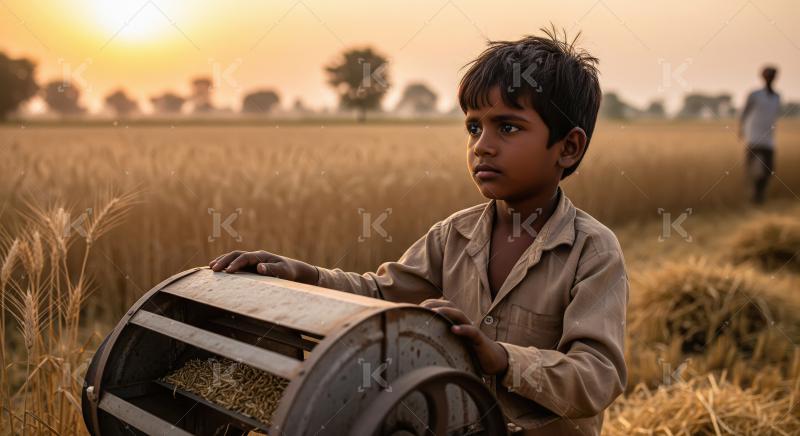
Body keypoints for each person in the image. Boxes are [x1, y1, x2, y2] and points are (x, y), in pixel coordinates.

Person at [210, 26, 628, 435]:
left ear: (568, 147)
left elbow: (598, 375)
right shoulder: (454, 236)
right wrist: (306, 277)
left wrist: (502, 359)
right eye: (473, 127)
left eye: (508, 127)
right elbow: (379, 295)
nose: (482, 144)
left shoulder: (591, 251)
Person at [739, 66, 781, 204]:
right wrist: (742, 129)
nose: (769, 78)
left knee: (768, 170)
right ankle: (753, 198)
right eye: (767, 75)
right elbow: (745, 112)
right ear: (763, 77)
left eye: (772, 76)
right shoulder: (755, 95)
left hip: (769, 140)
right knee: (754, 170)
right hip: (754, 138)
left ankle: (759, 196)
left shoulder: (776, 96)